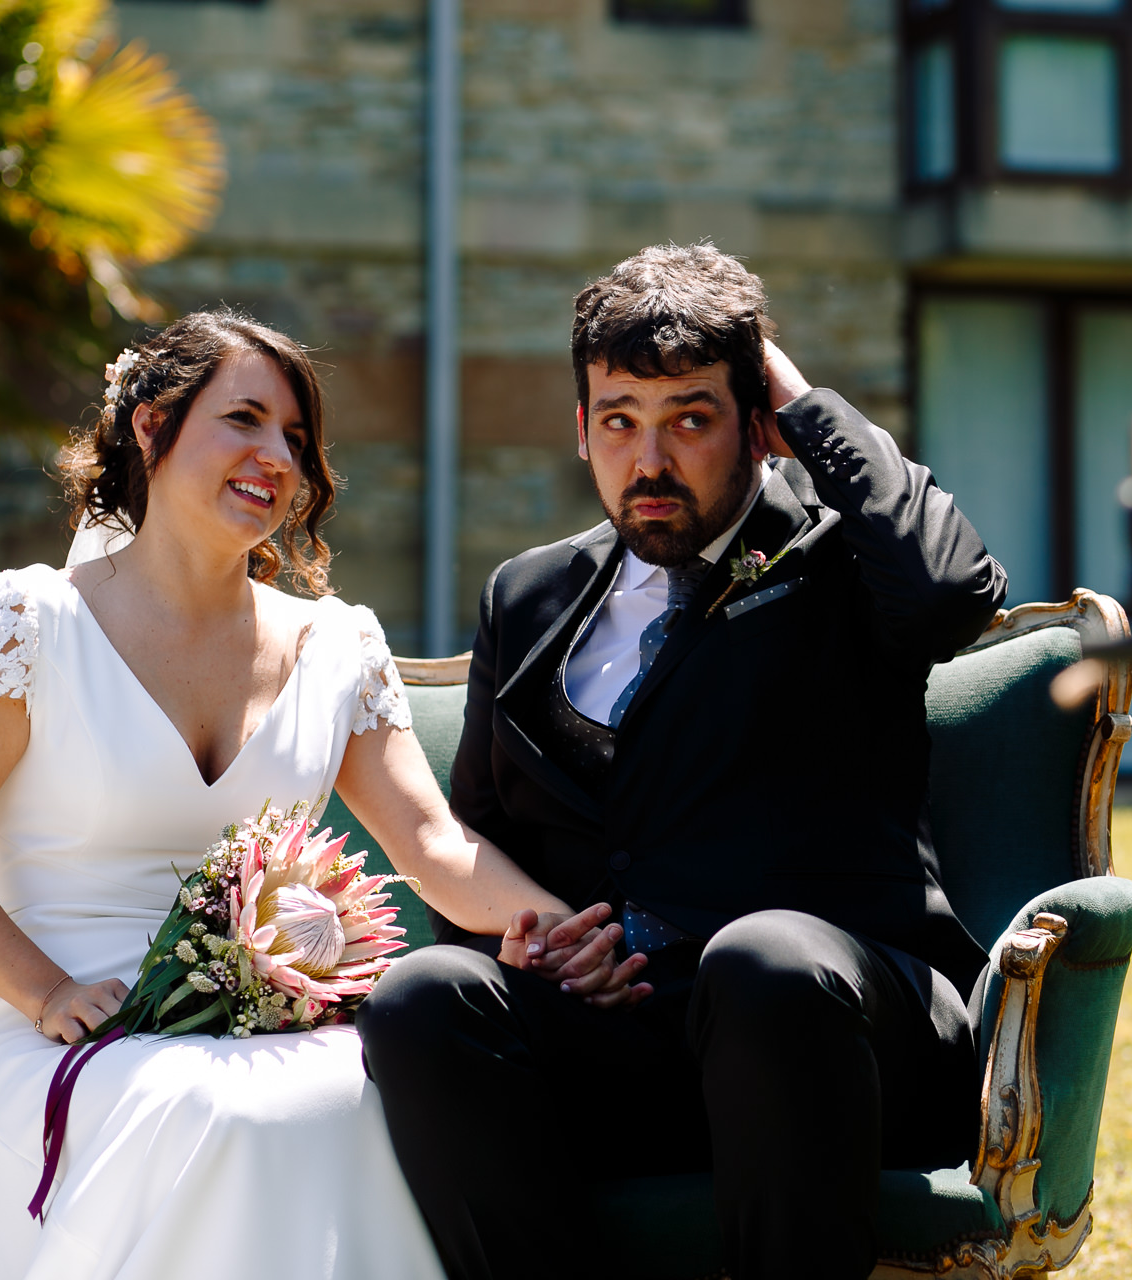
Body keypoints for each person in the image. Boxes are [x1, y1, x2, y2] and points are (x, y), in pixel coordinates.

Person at [0, 308, 632, 1280]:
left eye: (297, 436)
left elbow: (432, 842)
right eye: (245, 418)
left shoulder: (333, 645)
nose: (277, 454)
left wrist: (568, 933)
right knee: (221, 1113)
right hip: (65, 1022)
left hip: (264, 1021)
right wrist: (46, 989)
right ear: (151, 427)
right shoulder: (34, 621)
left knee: (369, 1088)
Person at [357, 244, 1010, 1280]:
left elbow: (948, 591)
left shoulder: (839, 558)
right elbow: (480, 829)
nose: (649, 459)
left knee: (764, 960)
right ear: (581, 429)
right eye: (619, 420)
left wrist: (797, 400)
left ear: (756, 423)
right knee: (425, 996)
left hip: (831, 1029)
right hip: (622, 1045)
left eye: (689, 419)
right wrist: (542, 941)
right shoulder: (526, 596)